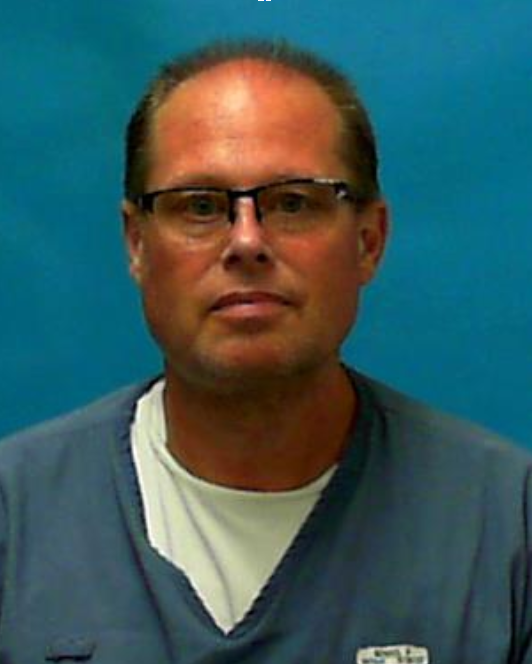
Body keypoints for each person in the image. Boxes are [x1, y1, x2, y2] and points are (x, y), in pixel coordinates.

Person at [0, 39, 530, 664]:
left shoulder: (506, 528)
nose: (246, 242)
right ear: (137, 244)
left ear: (369, 240)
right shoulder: (15, 517)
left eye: (293, 202)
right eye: (200, 206)